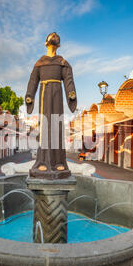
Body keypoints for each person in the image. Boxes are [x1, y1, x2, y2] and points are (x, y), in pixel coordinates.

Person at [25, 32, 77, 179]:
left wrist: (71, 94)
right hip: (44, 95)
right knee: (45, 127)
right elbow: (33, 82)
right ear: (46, 43)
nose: (54, 36)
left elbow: (69, 80)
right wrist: (30, 96)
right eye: (51, 36)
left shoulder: (62, 62)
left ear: (58, 44)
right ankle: (43, 162)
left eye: (56, 36)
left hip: (57, 96)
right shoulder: (40, 63)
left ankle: (59, 162)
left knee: (57, 127)